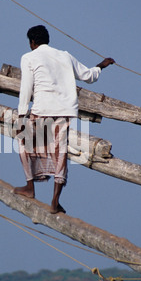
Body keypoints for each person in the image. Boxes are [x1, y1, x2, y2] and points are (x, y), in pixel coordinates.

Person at [14, 25, 114, 214]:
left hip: (41, 109)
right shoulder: (65, 56)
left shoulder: (28, 57)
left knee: (24, 145)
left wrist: (21, 115)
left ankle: (30, 188)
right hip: (64, 112)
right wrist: (101, 65)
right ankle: (55, 201)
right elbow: (88, 75)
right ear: (47, 40)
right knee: (60, 154)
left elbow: (26, 88)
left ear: (32, 43)